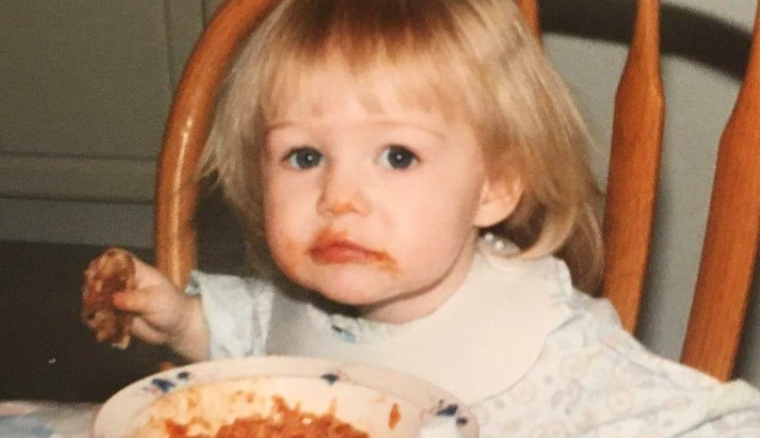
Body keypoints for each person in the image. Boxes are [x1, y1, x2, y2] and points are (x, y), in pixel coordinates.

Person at [112, 0, 760, 435]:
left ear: (495, 188)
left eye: (398, 155)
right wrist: (182, 319)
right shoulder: (298, 304)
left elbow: (707, 422)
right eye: (304, 155)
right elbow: (257, 339)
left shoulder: (550, 349)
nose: (339, 196)